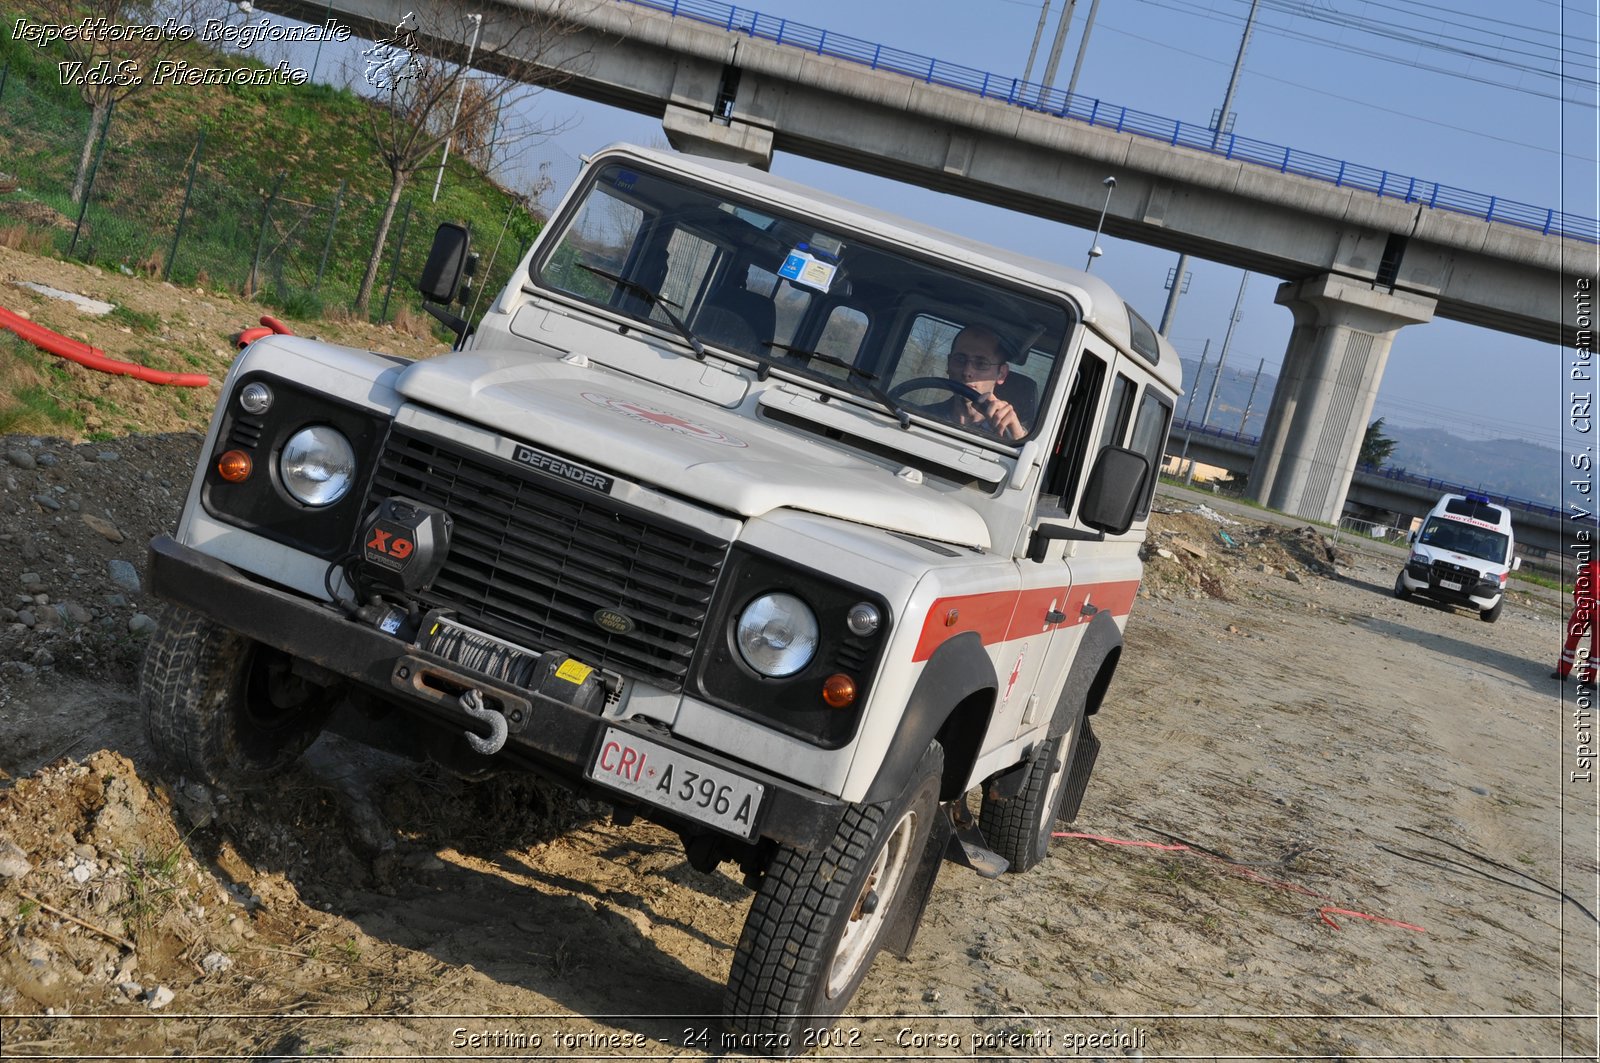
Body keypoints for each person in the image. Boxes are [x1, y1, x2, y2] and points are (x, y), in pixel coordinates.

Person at [941, 325, 1027, 440]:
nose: (967, 372)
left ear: (1002, 374)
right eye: (960, 359)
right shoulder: (921, 416)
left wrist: (1018, 438)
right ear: (948, 364)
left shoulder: (1009, 434)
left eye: (981, 363)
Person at [1555, 558, 1600, 688]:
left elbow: (1579, 586)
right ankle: (1564, 673)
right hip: (1586, 606)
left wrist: (1579, 603)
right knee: (1573, 641)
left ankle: (1567, 673)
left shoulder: (1590, 565)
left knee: (1593, 647)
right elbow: (1580, 585)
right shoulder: (1590, 565)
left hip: (1586, 607)